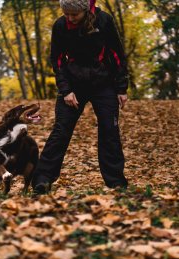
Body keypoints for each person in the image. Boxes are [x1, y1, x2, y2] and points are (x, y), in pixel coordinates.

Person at [31, 0, 129, 194]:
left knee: (110, 131)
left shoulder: (104, 20)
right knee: (61, 131)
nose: (69, 18)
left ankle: (116, 182)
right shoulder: (60, 26)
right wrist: (66, 90)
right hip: (74, 84)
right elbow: (57, 59)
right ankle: (42, 180)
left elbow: (117, 54)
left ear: (85, 10)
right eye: (66, 14)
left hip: (104, 83)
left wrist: (121, 88)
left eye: (73, 14)